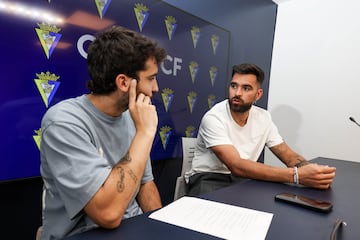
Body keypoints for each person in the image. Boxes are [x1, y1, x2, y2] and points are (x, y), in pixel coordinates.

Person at [39, 26, 166, 240]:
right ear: (124, 82)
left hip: (132, 229)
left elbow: (145, 184)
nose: (156, 88)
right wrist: (145, 133)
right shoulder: (64, 122)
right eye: (151, 78)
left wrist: (161, 230)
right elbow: (108, 214)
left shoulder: (132, 117)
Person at [185, 63, 336, 196]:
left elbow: (288, 155)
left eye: (246, 88)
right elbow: (236, 165)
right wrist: (296, 176)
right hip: (209, 178)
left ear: (258, 94)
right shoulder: (213, 118)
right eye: (234, 86)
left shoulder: (264, 118)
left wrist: (315, 173)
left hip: (242, 180)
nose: (237, 93)